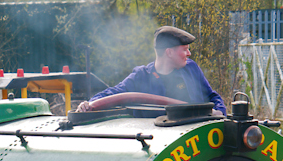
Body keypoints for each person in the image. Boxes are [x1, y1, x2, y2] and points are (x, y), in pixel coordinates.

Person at [76, 26, 226, 115]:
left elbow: (212, 96)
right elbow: (114, 93)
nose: (189, 54)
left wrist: (219, 112)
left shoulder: (191, 68)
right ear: (169, 52)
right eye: (185, 49)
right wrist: (90, 104)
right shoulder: (141, 77)